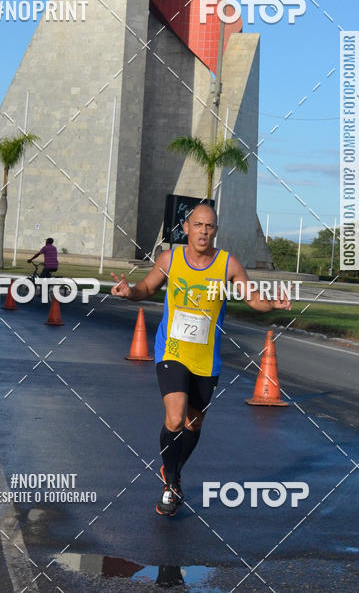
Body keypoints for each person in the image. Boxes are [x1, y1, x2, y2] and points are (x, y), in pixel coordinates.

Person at [111, 203, 292, 517]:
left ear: (215, 231)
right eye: (198, 225)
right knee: (175, 416)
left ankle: (174, 472)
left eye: (210, 227)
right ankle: (169, 486)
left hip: (207, 359)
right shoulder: (170, 259)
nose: (204, 232)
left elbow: (251, 298)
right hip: (172, 353)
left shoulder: (227, 264)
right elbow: (147, 288)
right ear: (187, 228)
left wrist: (272, 304)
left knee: (194, 424)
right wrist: (129, 293)